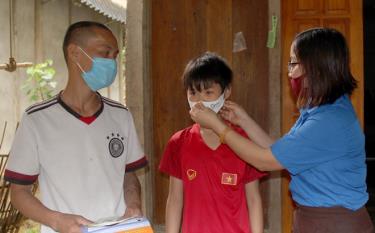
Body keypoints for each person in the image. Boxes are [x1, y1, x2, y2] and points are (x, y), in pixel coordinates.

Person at [190, 28, 375, 233]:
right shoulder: (317, 110)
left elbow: (265, 160)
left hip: (335, 224)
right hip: (315, 220)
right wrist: (243, 120)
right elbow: (281, 152)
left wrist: (219, 127)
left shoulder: (329, 120)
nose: (290, 72)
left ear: (316, 67)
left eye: (294, 63)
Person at [4, 21, 148, 233]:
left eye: (115, 55)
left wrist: (134, 205)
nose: (113, 63)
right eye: (105, 53)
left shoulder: (120, 115)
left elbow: (128, 175)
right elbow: (18, 192)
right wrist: (56, 220)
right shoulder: (36, 120)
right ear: (74, 53)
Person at [159, 52, 266, 233]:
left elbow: (254, 200)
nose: (199, 101)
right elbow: (175, 199)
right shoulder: (178, 142)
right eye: (193, 92)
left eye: (208, 92)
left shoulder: (243, 142)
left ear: (226, 92)